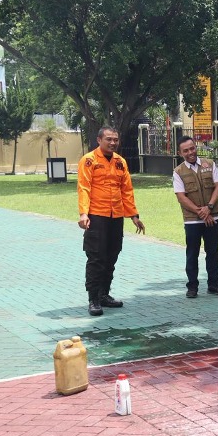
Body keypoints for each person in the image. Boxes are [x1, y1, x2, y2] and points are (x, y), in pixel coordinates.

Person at [77, 126, 145, 316]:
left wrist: (133, 215)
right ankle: (93, 299)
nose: (113, 142)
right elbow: (84, 187)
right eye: (109, 139)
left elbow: (127, 190)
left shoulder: (120, 162)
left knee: (112, 256)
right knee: (96, 258)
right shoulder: (89, 160)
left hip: (116, 217)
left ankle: (104, 294)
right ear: (99, 140)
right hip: (96, 216)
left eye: (116, 139)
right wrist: (84, 213)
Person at [173, 136, 218, 298]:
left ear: (195, 147)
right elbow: (181, 197)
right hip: (192, 220)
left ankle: (213, 284)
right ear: (180, 153)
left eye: (192, 148)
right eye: (186, 150)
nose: (190, 152)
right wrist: (201, 212)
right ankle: (192, 287)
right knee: (192, 253)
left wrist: (209, 208)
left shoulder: (209, 164)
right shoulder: (178, 172)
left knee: (212, 252)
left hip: (212, 216)